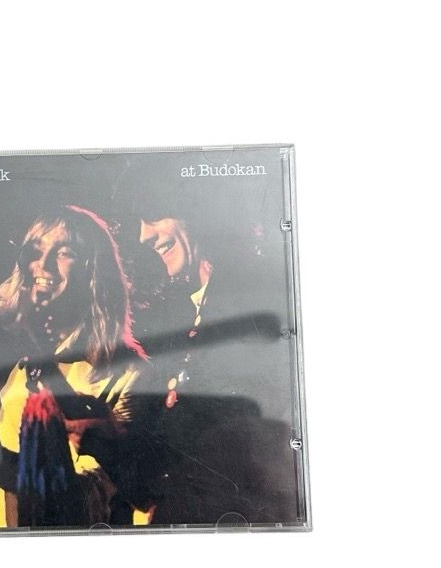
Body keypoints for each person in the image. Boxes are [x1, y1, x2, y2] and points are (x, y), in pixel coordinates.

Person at [0, 205, 150, 528]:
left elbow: (95, 493)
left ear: (93, 270)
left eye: (64, 253)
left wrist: (2, 461)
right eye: (36, 251)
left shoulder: (125, 371)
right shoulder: (0, 325)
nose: (44, 264)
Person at [113, 172, 302, 526]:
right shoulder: (179, 312)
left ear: (195, 207)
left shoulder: (252, 297)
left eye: (153, 215)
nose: (143, 235)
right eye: (137, 225)